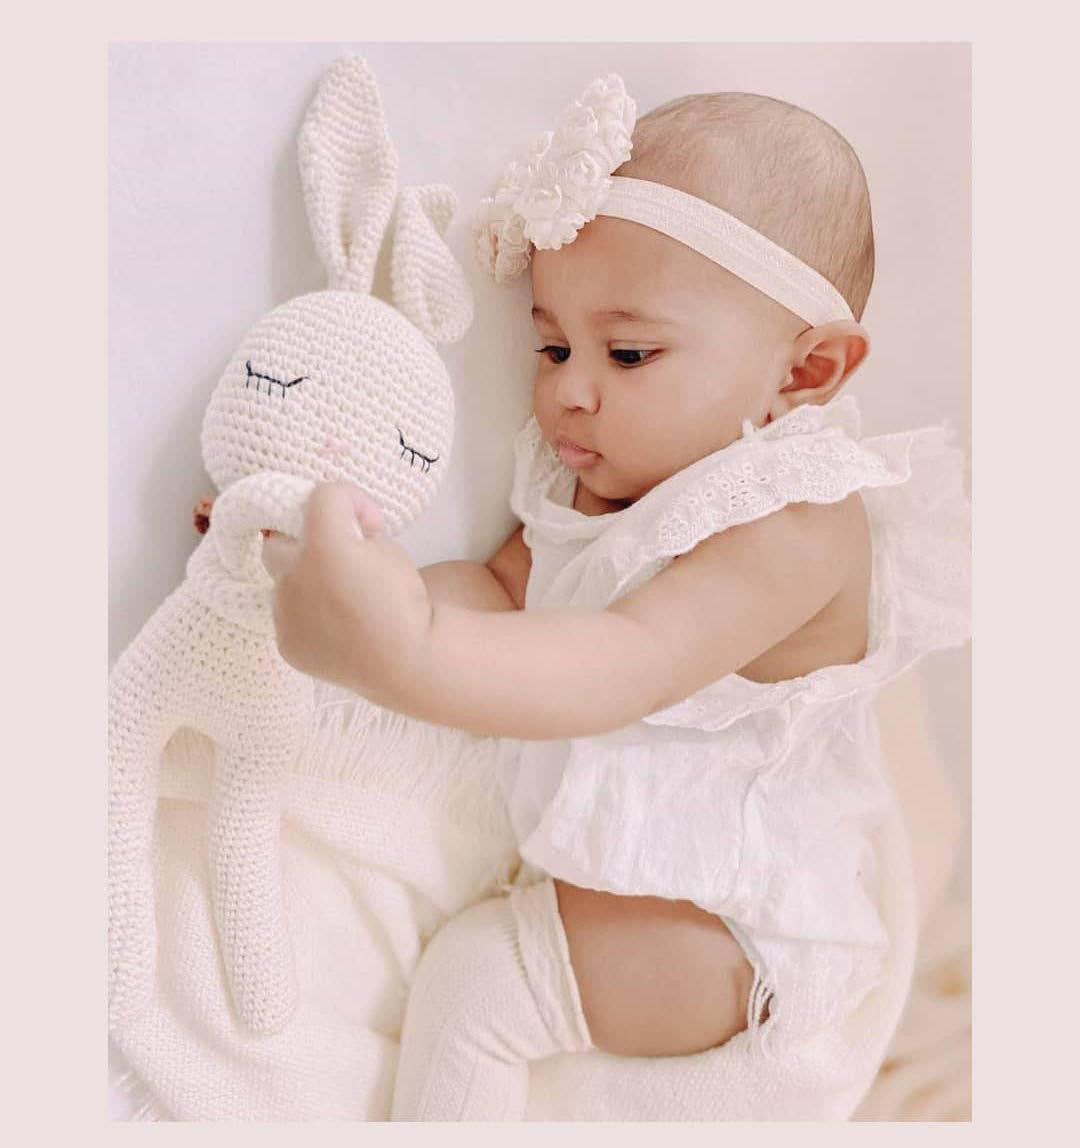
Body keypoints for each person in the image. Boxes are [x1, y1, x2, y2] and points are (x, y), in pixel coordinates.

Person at [261, 75, 970, 1120]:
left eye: (627, 352)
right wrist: (363, 579)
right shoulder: (594, 482)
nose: (566, 390)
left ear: (806, 368)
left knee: (478, 981)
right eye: (551, 344)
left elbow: (620, 657)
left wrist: (402, 648)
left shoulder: (795, 522)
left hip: (735, 923)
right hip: (636, 884)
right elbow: (508, 590)